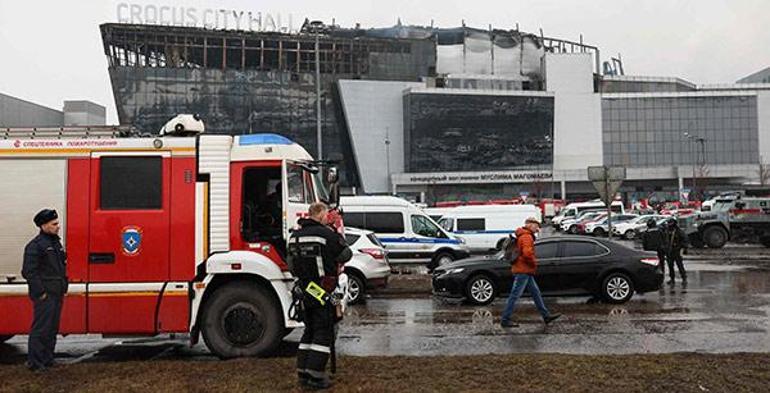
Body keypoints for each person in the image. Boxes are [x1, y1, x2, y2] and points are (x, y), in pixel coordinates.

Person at [289, 202, 352, 389]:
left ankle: (303, 373)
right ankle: (315, 376)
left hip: (304, 289)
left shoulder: (294, 236)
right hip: (323, 290)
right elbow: (345, 255)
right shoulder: (326, 234)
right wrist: (335, 232)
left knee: (309, 331)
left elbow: (291, 264)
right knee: (323, 331)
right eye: (326, 215)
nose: (327, 217)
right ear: (321, 215)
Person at [21, 209, 68, 372]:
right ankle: (35, 363)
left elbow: (60, 266)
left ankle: (47, 359)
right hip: (45, 295)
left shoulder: (55, 244)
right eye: (54, 224)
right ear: (43, 226)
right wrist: (41, 292)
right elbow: (29, 271)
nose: (58, 227)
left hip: (56, 292)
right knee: (41, 329)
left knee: (52, 328)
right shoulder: (36, 246)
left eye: (57, 223)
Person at [500, 217, 561, 328]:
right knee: (515, 295)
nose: (538, 229)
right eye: (537, 226)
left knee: (536, 293)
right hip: (523, 270)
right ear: (530, 225)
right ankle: (505, 319)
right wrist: (534, 263)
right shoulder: (527, 236)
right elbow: (527, 254)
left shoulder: (522, 235)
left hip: (523, 270)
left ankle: (546, 316)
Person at [663, 218, 687, 284]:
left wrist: (682, 248)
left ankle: (684, 278)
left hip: (677, 251)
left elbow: (684, 240)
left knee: (680, 265)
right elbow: (664, 240)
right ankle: (672, 279)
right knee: (670, 266)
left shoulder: (679, 231)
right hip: (669, 251)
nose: (669, 225)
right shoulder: (666, 231)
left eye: (670, 223)